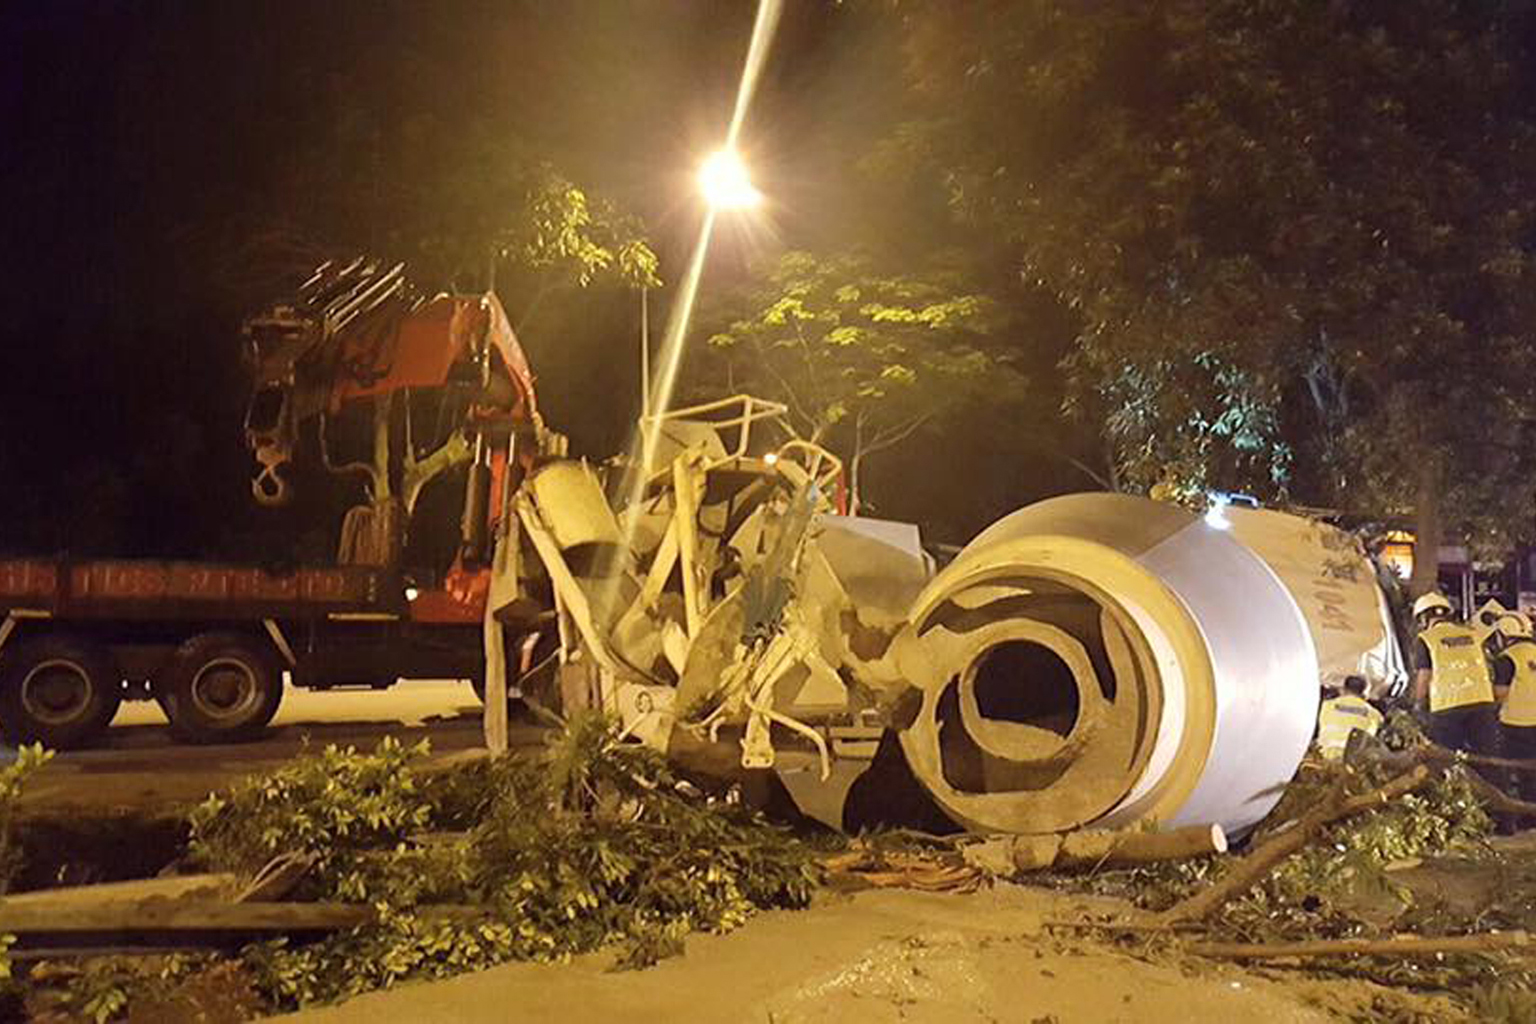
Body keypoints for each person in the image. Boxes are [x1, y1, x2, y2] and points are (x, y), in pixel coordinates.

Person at [1411, 591, 1500, 757]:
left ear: (1423, 618)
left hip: (1447, 707)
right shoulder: (1472, 634)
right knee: (1487, 757)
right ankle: (1495, 783)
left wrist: (1418, 703)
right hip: (1482, 702)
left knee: (1447, 759)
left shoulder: (1427, 638)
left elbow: (1424, 675)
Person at [1491, 613, 1536, 796]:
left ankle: (1524, 815)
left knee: (1517, 772)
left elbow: (1501, 694)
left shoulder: (1506, 658)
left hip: (1515, 725)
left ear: (1505, 633)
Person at [1316, 675, 1384, 761]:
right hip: (1354, 762)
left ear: (1343, 690)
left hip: (1325, 757)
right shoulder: (1374, 714)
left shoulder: (1326, 705)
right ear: (1365, 694)